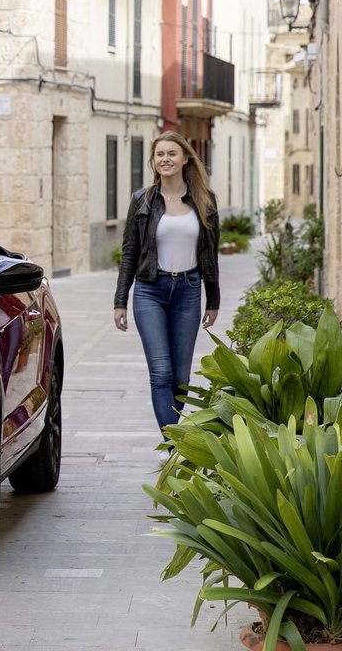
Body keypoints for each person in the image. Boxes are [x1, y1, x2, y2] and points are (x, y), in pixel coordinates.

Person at [113, 131, 220, 463]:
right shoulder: (142, 201)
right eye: (160, 155)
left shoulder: (204, 201)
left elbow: (211, 254)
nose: (166, 160)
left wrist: (213, 299)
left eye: (172, 154)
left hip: (188, 291)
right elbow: (129, 252)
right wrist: (120, 301)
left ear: (185, 158)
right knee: (160, 372)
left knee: (181, 377)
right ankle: (174, 447)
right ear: (154, 162)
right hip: (150, 291)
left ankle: (173, 440)